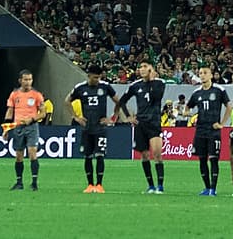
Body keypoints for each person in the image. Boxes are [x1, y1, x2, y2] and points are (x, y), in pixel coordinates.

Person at [115, 61, 166, 193]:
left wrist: (152, 80)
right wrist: (128, 116)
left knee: (157, 153)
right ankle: (150, 185)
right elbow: (122, 101)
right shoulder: (135, 85)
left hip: (154, 122)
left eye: (145, 67)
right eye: (140, 67)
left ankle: (160, 185)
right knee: (144, 155)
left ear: (151, 69)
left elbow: (156, 97)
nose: (142, 69)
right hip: (140, 123)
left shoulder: (159, 83)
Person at [68, 64, 117, 193]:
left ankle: (99, 185)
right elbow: (67, 101)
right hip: (87, 129)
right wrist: (76, 117)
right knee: (87, 156)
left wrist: (112, 118)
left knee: (100, 156)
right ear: (88, 76)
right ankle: (90, 185)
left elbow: (119, 101)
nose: (97, 80)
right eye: (95, 77)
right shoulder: (80, 88)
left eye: (99, 77)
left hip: (100, 129)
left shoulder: (105, 87)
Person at [186, 66, 229, 196]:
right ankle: (207, 187)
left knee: (214, 159)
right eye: (200, 73)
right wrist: (188, 114)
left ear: (211, 75)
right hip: (200, 130)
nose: (202, 75)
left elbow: (229, 106)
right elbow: (187, 108)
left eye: (205, 73)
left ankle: (213, 189)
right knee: (202, 159)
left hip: (213, 130)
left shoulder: (219, 90)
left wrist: (222, 124)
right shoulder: (197, 93)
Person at [4, 69, 47, 191]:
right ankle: (19, 182)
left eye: (30, 79)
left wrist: (32, 119)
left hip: (31, 127)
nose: (28, 82)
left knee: (32, 153)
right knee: (19, 156)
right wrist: (6, 129)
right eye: (26, 79)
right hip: (18, 127)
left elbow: (43, 113)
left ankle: (34, 183)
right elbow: (10, 111)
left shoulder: (37, 95)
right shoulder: (14, 94)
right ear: (20, 80)